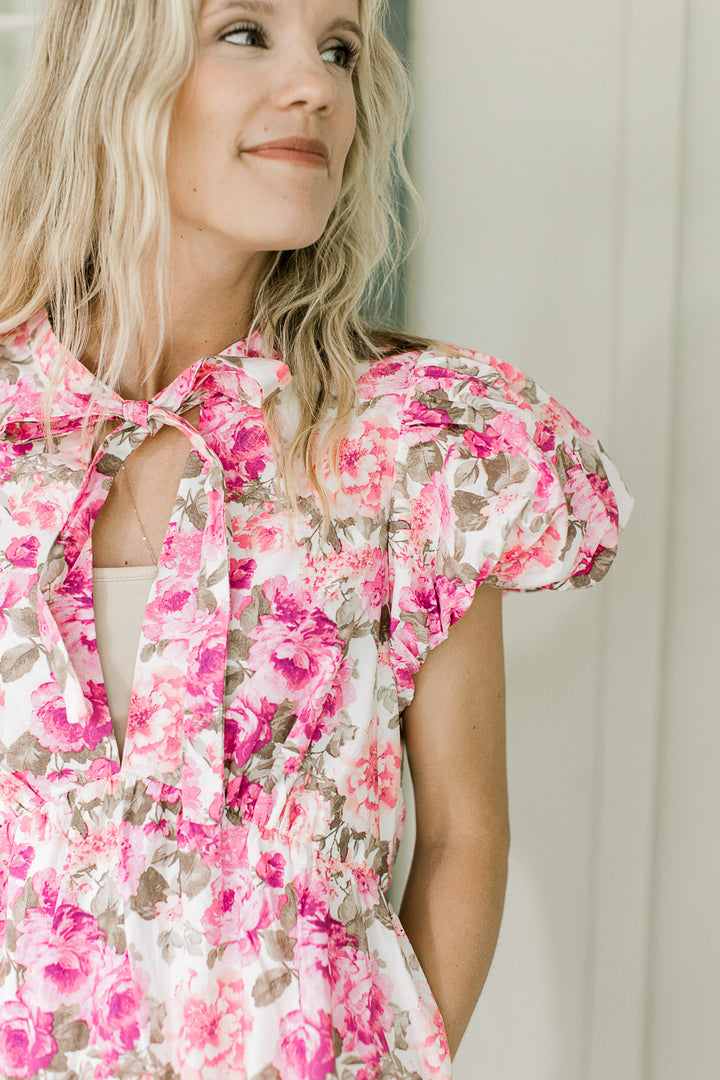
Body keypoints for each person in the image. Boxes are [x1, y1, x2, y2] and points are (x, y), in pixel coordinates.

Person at [0, 0, 633, 1077]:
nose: (317, 85)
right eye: (247, 32)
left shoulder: (420, 441)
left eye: (339, 49)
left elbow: (465, 833)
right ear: (115, 69)